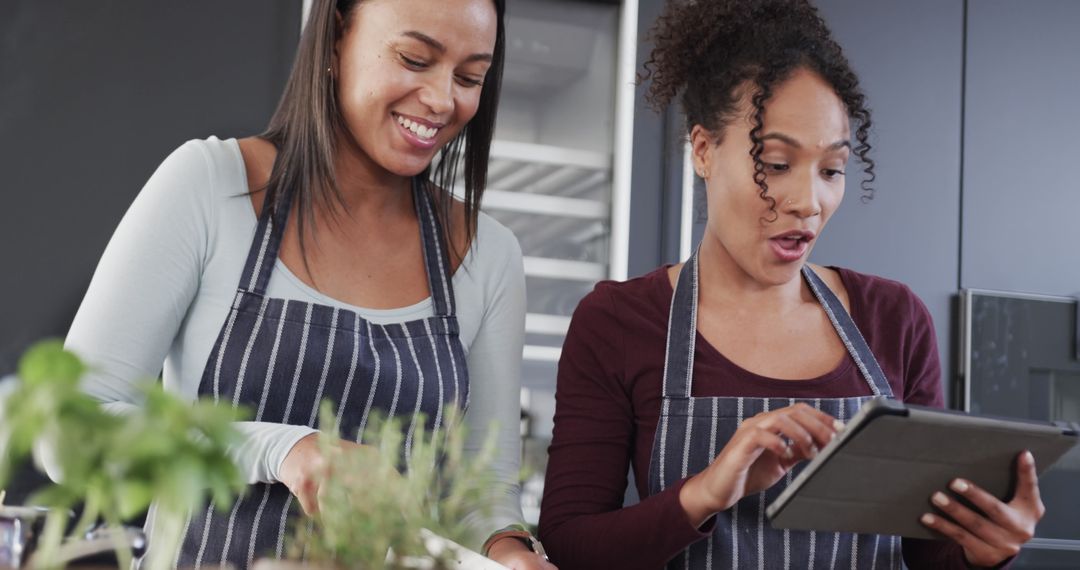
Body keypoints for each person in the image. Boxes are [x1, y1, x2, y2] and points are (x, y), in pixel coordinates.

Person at [537, 1, 1044, 568]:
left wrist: (986, 550)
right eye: (776, 163)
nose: (808, 202)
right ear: (703, 150)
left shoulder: (894, 319)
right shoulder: (618, 321)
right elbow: (571, 544)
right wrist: (706, 492)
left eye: (831, 170)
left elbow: (928, 553)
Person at [59, 0, 554, 568]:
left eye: (470, 77)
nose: (444, 99)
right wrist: (283, 449)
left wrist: (509, 549)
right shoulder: (210, 187)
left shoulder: (487, 254)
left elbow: (482, 492)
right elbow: (72, 431)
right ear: (338, 35)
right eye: (415, 59)